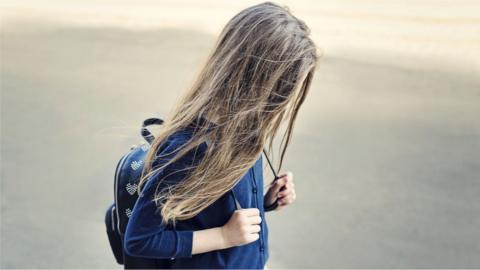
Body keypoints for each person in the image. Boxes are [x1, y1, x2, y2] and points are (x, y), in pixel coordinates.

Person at [123, 1, 319, 269]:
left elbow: (210, 208)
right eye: (283, 89)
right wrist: (224, 236)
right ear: (260, 83)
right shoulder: (189, 149)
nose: (283, 102)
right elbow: (140, 240)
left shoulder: (246, 132)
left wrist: (266, 202)